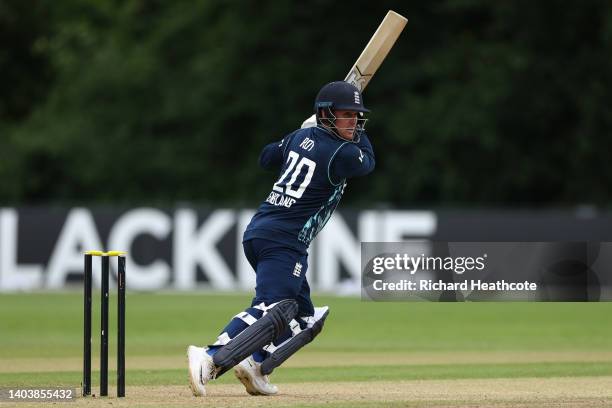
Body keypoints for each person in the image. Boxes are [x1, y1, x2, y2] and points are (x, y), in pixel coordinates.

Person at [187, 81, 375, 396]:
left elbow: (266, 157)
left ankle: (257, 365)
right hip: (282, 241)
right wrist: (323, 134)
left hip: (265, 233)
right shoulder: (342, 153)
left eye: (357, 117)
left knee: (306, 319)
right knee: (273, 306)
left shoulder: (301, 137)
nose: (353, 123)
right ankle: (209, 355)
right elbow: (367, 162)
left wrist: (299, 135)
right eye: (345, 115)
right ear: (326, 114)